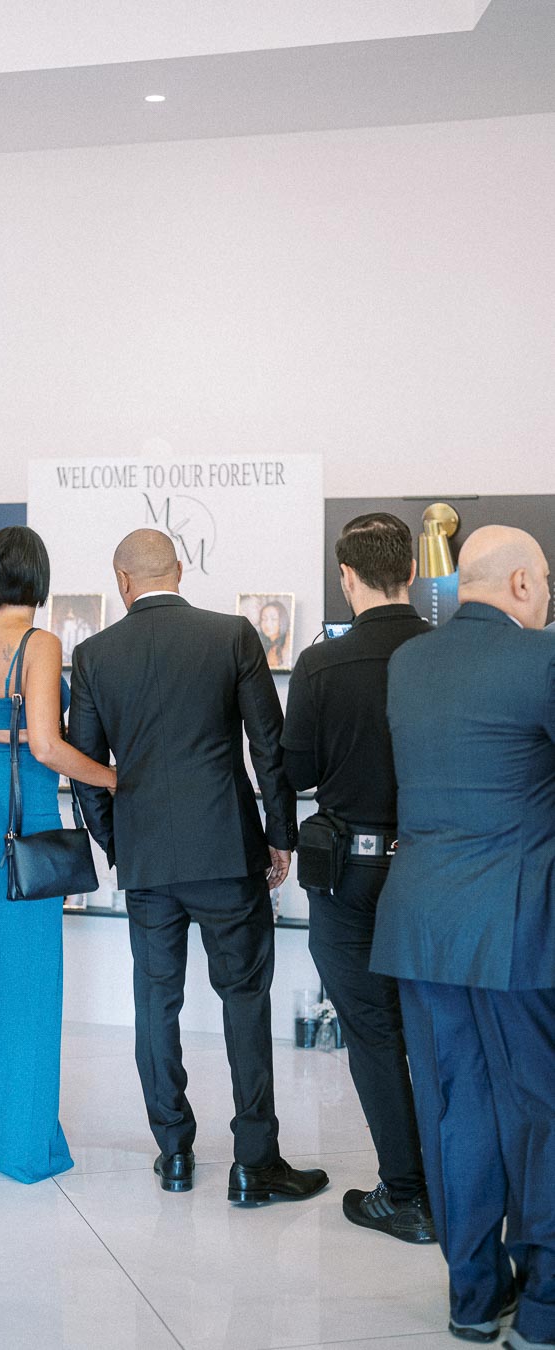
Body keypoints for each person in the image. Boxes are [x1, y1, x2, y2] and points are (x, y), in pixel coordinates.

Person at [68, 528, 327, 1205]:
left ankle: (175, 1152)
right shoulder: (233, 635)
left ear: (122, 579)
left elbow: (88, 770)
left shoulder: (96, 654)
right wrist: (280, 836)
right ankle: (255, 1162)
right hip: (225, 849)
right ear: (178, 571)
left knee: (156, 1002)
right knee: (244, 996)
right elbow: (268, 748)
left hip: (148, 858)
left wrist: (119, 845)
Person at [371, 525, 555, 1349]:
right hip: (519, 926)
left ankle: (473, 1298)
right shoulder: (541, 658)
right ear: (519, 583)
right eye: (546, 580)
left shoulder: (409, 662)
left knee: (455, 1110)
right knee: (539, 1111)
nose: (549, 594)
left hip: (421, 923)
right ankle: (547, 1306)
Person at [282, 513, 435, 1243]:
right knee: (437, 1035)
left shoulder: (319, 664)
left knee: (373, 1034)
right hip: (436, 869)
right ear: (410, 569)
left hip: (347, 875)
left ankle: (405, 1194)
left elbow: (299, 770)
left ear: (346, 578)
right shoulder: (444, 654)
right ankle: (450, 1187)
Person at [0, 526, 116, 1183]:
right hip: (24, 802)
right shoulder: (39, 643)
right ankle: (25, 1146)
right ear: (39, 579)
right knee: (29, 977)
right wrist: (111, 777)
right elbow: (47, 747)